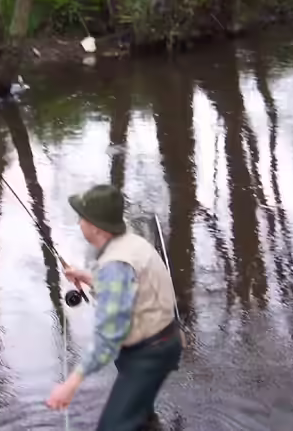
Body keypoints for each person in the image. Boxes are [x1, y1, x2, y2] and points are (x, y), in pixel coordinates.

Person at [46, 184, 183, 430]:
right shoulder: (131, 243)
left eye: (82, 218)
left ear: (96, 227)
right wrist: (88, 277)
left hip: (150, 353)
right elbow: (129, 290)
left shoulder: (114, 264)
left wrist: (70, 385)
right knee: (139, 417)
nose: (79, 223)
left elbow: (108, 338)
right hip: (165, 339)